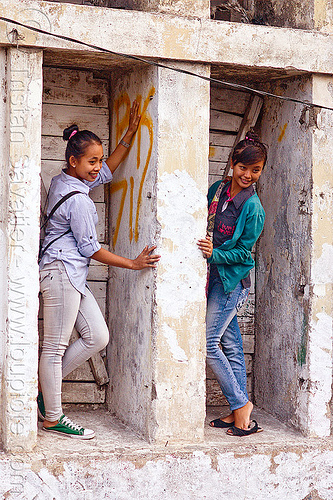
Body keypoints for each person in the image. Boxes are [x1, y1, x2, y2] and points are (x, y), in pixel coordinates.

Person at [38, 100, 160, 439]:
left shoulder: (66, 180)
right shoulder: (78, 199)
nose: (97, 168)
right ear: (73, 161)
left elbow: (106, 170)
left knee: (98, 336)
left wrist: (129, 136)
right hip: (61, 273)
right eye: (91, 161)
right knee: (54, 348)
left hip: (70, 275)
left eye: (98, 159)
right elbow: (91, 249)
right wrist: (134, 264)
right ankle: (53, 417)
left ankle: (45, 394)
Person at [198, 130, 267, 437]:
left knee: (209, 343)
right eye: (243, 168)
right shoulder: (218, 190)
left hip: (231, 283)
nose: (248, 175)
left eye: (256, 170)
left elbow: (243, 252)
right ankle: (240, 416)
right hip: (213, 277)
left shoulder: (253, 208)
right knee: (231, 344)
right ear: (232, 164)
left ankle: (241, 405)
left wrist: (216, 253)